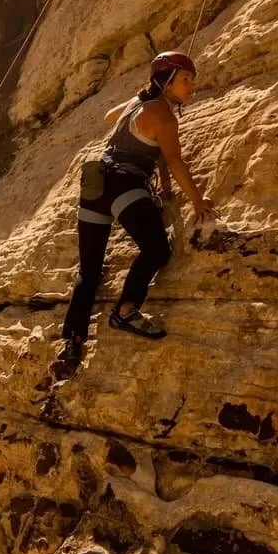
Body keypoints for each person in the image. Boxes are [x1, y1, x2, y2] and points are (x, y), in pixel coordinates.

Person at [53, 51, 214, 379]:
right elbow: (175, 160)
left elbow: (111, 117)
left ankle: (72, 342)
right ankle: (126, 311)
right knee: (157, 249)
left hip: (95, 183)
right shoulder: (165, 117)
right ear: (167, 82)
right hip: (123, 183)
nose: (192, 86)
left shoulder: (138, 105)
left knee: (90, 271)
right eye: (185, 80)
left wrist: (144, 98)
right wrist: (198, 202)